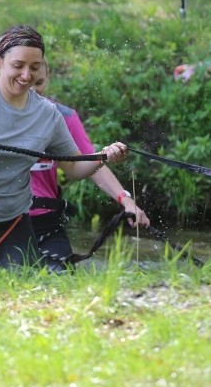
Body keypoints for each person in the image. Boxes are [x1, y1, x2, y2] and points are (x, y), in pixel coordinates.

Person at [0, 25, 131, 275]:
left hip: (10, 223)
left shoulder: (48, 114)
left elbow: (74, 167)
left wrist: (103, 157)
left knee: (28, 291)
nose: (26, 75)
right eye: (18, 66)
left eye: (35, 67)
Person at [29, 76, 150, 274]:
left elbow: (90, 163)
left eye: (38, 82)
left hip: (46, 221)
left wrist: (126, 200)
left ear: (48, 78)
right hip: (1, 220)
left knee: (61, 278)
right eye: (23, 75)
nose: (32, 88)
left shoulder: (62, 116)